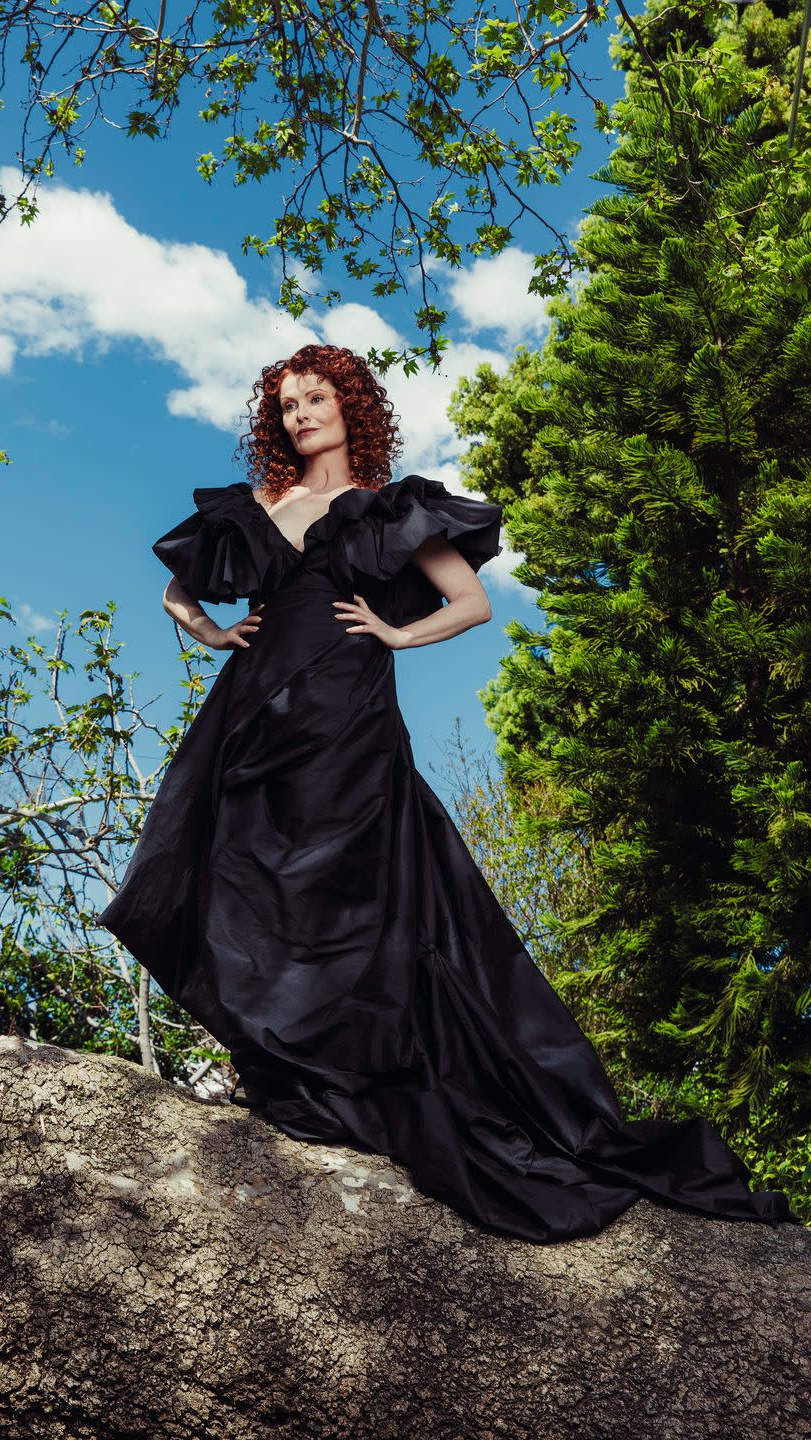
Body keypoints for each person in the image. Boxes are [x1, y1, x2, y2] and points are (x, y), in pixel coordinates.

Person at [97, 342, 800, 1243]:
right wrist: (215, 634)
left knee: (348, 883)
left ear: (353, 406)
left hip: (346, 712)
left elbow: (471, 604)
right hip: (255, 714)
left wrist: (391, 633)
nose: (299, 413)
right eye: (286, 403)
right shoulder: (258, 507)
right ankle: (286, 1065)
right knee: (250, 877)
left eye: (316, 398)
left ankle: (349, 1066)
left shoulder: (388, 508)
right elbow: (174, 596)